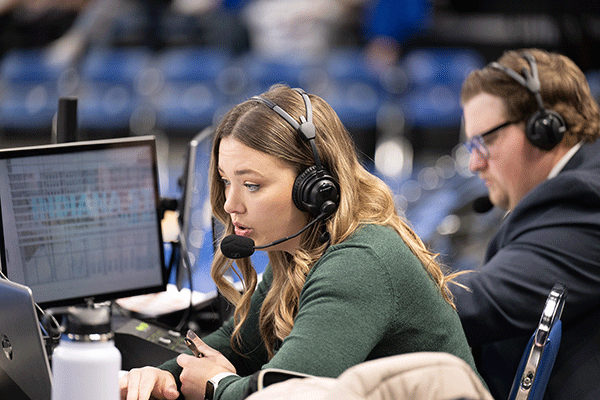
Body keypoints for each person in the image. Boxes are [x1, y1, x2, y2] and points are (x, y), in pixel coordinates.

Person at [120, 84, 479, 400]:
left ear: (314, 187)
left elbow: (286, 389)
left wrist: (216, 387)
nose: (230, 204)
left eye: (252, 185)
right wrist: (162, 375)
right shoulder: (301, 248)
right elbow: (239, 346)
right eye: (226, 181)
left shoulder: (360, 261)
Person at [453, 48, 600, 400]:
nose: (474, 163)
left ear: (544, 128)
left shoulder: (584, 198)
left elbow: (485, 304)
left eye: (486, 141)